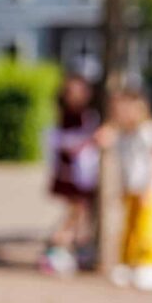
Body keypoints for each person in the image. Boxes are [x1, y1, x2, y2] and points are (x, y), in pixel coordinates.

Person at [97, 89, 152, 291]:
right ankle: (129, 262)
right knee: (130, 228)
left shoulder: (148, 131)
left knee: (149, 228)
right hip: (132, 187)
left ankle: (150, 264)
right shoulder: (122, 135)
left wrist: (149, 187)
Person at [41, 74, 100, 275]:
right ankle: (58, 242)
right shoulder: (64, 118)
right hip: (71, 173)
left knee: (80, 211)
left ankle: (71, 244)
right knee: (76, 210)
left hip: (83, 173)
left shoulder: (87, 115)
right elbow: (60, 142)